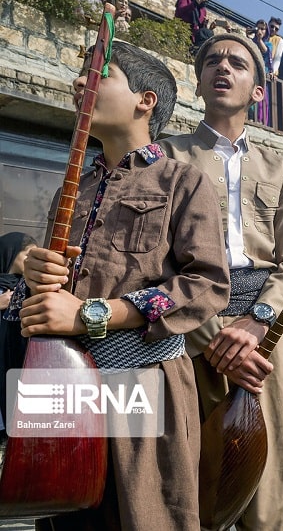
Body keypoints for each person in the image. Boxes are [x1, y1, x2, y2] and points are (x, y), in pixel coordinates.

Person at [16, 40, 229, 529]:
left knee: (143, 513)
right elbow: (54, 288)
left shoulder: (182, 181)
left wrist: (95, 314)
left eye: (98, 74)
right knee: (58, 509)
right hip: (61, 379)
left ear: (144, 99)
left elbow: (206, 283)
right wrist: (36, 274)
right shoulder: (77, 187)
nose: (80, 84)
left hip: (139, 377)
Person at [160, 33, 283, 530]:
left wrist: (258, 323)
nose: (223, 68)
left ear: (258, 90)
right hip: (185, 335)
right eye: (212, 61)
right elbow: (152, 259)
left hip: (267, 336)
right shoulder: (165, 156)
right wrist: (209, 334)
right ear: (198, 80)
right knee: (192, 479)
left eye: (238, 63)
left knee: (271, 487)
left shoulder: (280, 168)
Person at [0, 232, 37, 434]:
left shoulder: (26, 288)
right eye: (27, 255)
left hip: (16, 360)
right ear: (10, 254)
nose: (31, 262)